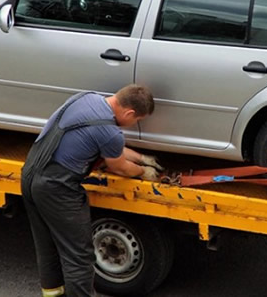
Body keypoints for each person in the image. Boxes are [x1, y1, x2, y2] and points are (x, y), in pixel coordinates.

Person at [21, 85, 163, 297]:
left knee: (47, 244)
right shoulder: (109, 131)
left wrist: (141, 158)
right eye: (138, 120)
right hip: (57, 188)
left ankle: (53, 293)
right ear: (129, 113)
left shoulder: (86, 98)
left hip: (30, 175)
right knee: (79, 256)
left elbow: (108, 143)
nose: (136, 124)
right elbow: (119, 166)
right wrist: (144, 171)